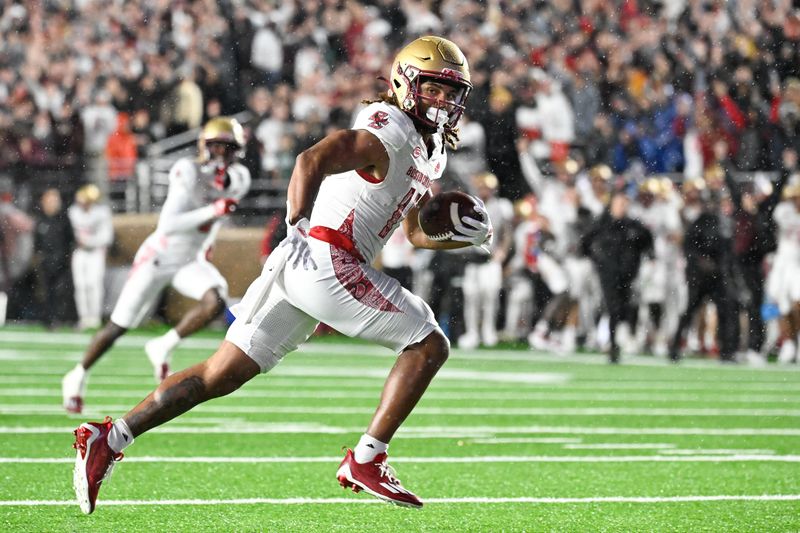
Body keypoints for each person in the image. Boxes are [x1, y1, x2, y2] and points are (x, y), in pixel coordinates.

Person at [71, 36, 490, 513]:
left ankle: (111, 437)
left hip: (305, 266)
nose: (443, 101)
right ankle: (367, 458)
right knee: (429, 342)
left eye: (451, 93)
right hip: (329, 260)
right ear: (404, 81)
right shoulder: (388, 129)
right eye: (433, 89)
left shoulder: (428, 149)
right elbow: (310, 159)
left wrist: (457, 234)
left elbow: (413, 231)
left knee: (219, 373)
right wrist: (297, 221)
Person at [62, 117, 251, 414]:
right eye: (218, 146)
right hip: (159, 256)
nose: (223, 154)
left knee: (216, 299)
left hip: (190, 259)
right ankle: (77, 375)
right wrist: (212, 209)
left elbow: (215, 211)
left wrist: (207, 243)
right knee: (119, 326)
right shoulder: (187, 170)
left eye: (229, 148)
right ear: (205, 145)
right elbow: (169, 225)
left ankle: (163, 344)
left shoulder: (240, 178)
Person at [580, 190, 654, 363]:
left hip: (628, 274)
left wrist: (647, 257)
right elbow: (585, 244)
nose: (622, 207)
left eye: (624, 203)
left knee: (625, 307)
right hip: (608, 273)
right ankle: (613, 345)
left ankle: (622, 339)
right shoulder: (601, 224)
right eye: (619, 203)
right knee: (613, 307)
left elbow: (647, 241)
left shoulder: (633, 225)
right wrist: (598, 260)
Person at [67, 184, 114, 330]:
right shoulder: (73, 212)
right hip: (79, 252)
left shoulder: (102, 213)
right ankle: (84, 318)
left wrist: (89, 241)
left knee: (94, 285)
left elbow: (107, 237)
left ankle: (95, 317)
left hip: (95, 252)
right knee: (81, 286)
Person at [34, 188, 75, 328]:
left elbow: (70, 240)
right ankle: (49, 319)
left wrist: (66, 257)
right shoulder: (40, 219)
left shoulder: (64, 219)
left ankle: (66, 318)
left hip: (62, 261)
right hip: (46, 261)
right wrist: (39, 256)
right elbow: (37, 242)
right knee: (47, 291)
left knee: (63, 291)